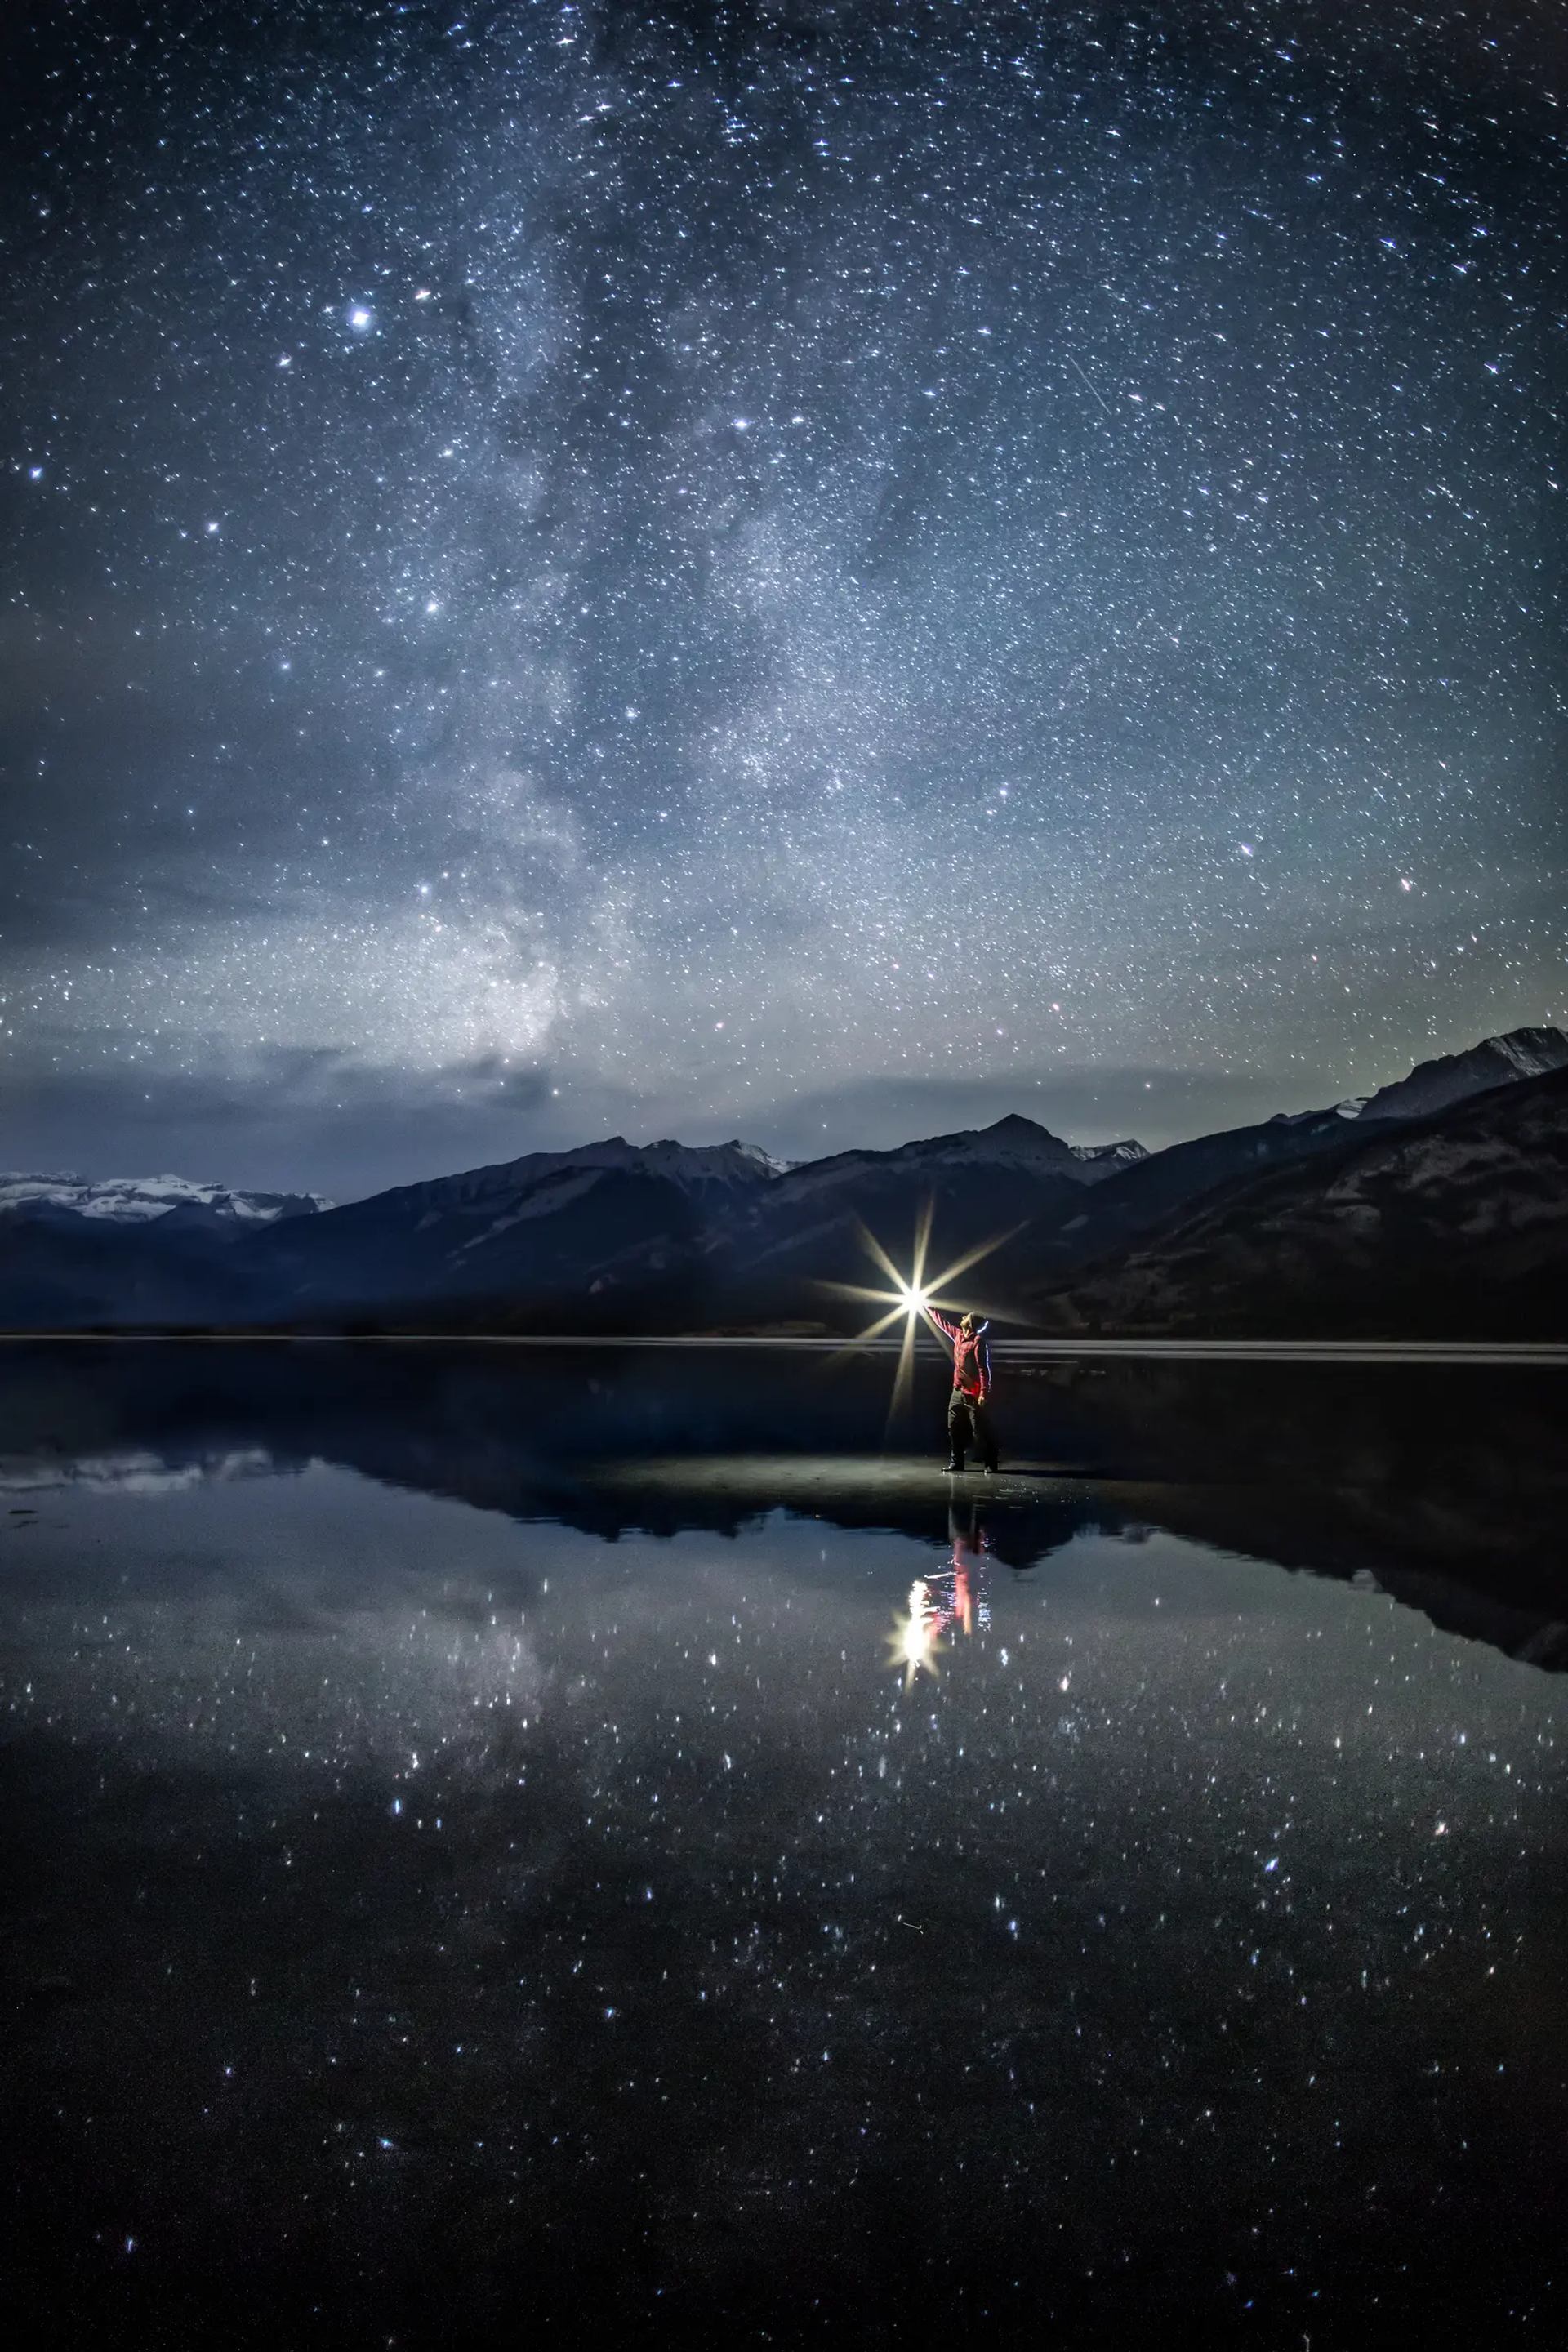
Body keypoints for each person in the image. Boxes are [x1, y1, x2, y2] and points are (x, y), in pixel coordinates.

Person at [926, 1306, 997, 1473]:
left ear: (970, 1323)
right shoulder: (958, 1335)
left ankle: (990, 1463)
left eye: (966, 1317)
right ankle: (957, 1463)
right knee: (953, 1428)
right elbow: (942, 1323)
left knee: (979, 1431)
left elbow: (983, 1369)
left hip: (972, 1394)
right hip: (957, 1391)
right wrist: (928, 1308)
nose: (963, 1317)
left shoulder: (978, 1342)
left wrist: (983, 1392)